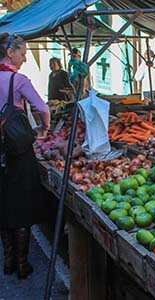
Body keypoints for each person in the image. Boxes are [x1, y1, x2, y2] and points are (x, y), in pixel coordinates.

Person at [0, 33, 50, 279]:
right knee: (21, 207)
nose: (25, 57)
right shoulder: (17, 80)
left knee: (4, 205)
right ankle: (22, 263)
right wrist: (44, 129)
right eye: (23, 52)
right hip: (18, 153)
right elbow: (43, 108)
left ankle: (8, 260)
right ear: (10, 52)